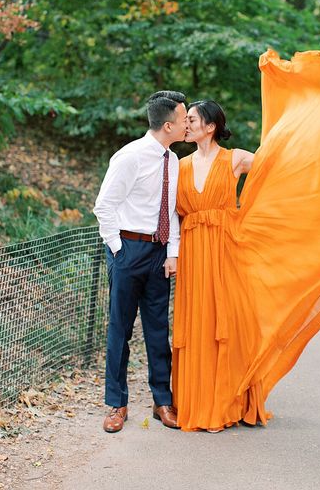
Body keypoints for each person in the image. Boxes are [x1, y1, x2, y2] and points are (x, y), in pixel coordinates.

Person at [172, 49, 320, 433]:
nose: (186, 126)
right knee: (197, 323)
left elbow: (281, 164)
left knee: (227, 324)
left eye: (192, 120)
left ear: (209, 126)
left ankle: (229, 398)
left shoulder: (235, 160)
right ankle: (196, 401)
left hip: (227, 250)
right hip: (195, 251)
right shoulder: (177, 166)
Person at [94, 90, 187, 433]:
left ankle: (162, 399)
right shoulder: (129, 157)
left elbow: (171, 211)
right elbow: (103, 205)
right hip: (128, 251)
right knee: (120, 329)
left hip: (159, 254)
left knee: (158, 329)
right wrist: (118, 250)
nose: (187, 124)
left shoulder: (172, 160)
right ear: (167, 125)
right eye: (183, 119)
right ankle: (117, 404)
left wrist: (172, 252)